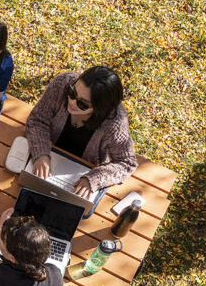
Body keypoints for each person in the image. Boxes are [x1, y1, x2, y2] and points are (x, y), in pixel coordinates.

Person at [24, 66, 138, 197]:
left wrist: (93, 179)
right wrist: (41, 153)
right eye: (72, 93)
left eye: (83, 104)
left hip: (79, 176)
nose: (72, 102)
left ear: (100, 108)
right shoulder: (63, 83)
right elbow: (37, 119)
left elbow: (126, 163)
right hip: (48, 154)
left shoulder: (115, 122)